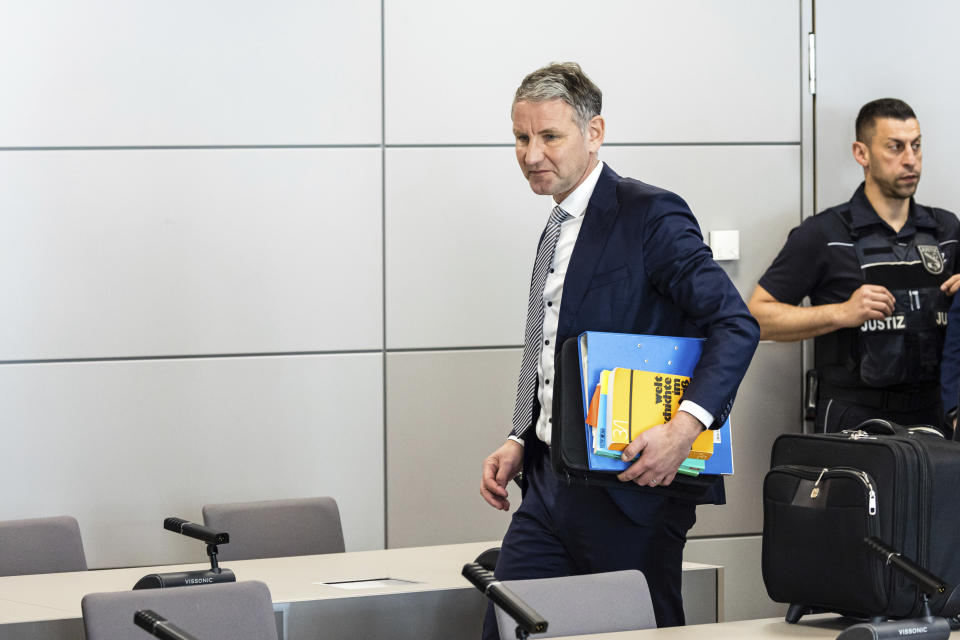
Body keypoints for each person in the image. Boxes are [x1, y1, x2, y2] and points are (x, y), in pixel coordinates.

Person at [479, 62, 759, 638]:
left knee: (639, 631)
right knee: (509, 626)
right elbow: (547, 343)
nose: (531, 154)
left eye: (549, 136)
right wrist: (518, 436)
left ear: (594, 132)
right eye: (520, 137)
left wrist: (684, 431)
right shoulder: (555, 227)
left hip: (635, 485)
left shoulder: (650, 215)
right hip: (550, 483)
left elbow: (736, 324)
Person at [749, 98, 960, 433]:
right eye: (895, 147)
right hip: (853, 421)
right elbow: (756, 318)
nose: (910, 160)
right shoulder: (823, 233)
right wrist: (841, 313)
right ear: (862, 153)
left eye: (916, 146)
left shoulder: (947, 231)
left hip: (935, 420)